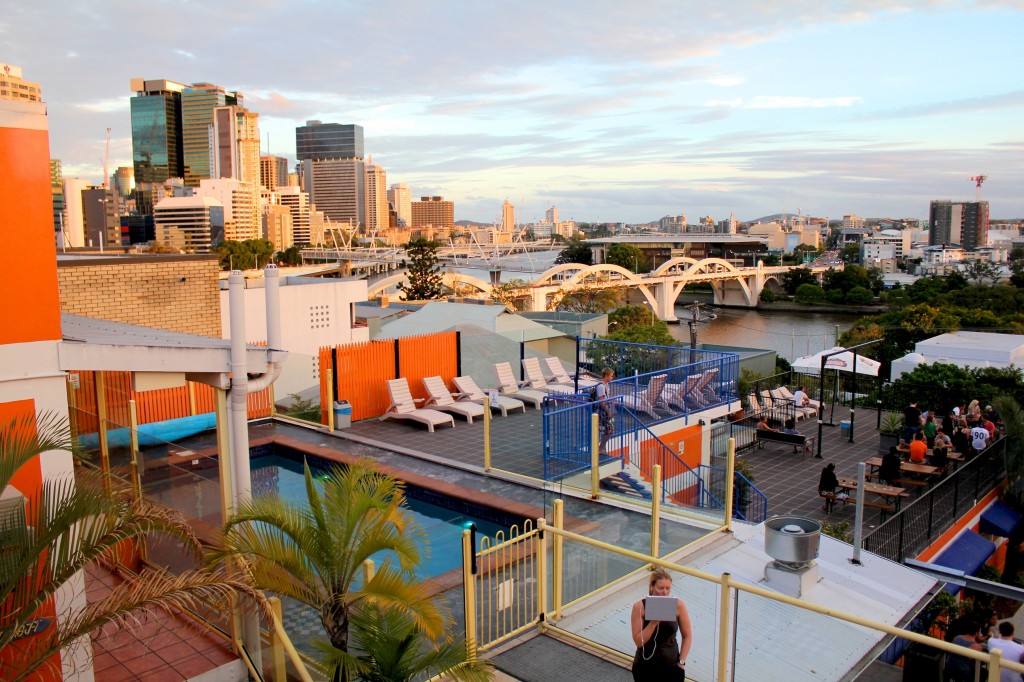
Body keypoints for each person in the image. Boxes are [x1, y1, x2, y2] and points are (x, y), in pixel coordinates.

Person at [630, 568, 692, 681]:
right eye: (661, 588)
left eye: (668, 588)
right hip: (646, 667)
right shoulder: (639, 607)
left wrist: (682, 662)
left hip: (672, 667)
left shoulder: (678, 605)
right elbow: (638, 641)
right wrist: (653, 623)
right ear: (652, 587)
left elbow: (687, 636)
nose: (665, 592)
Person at [595, 367, 615, 455]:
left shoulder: (606, 385)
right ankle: (601, 448)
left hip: (606, 410)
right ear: (606, 376)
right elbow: (601, 401)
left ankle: (601, 447)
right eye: (611, 376)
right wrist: (608, 411)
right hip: (603, 411)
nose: (612, 378)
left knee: (609, 429)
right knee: (608, 429)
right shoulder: (601, 386)